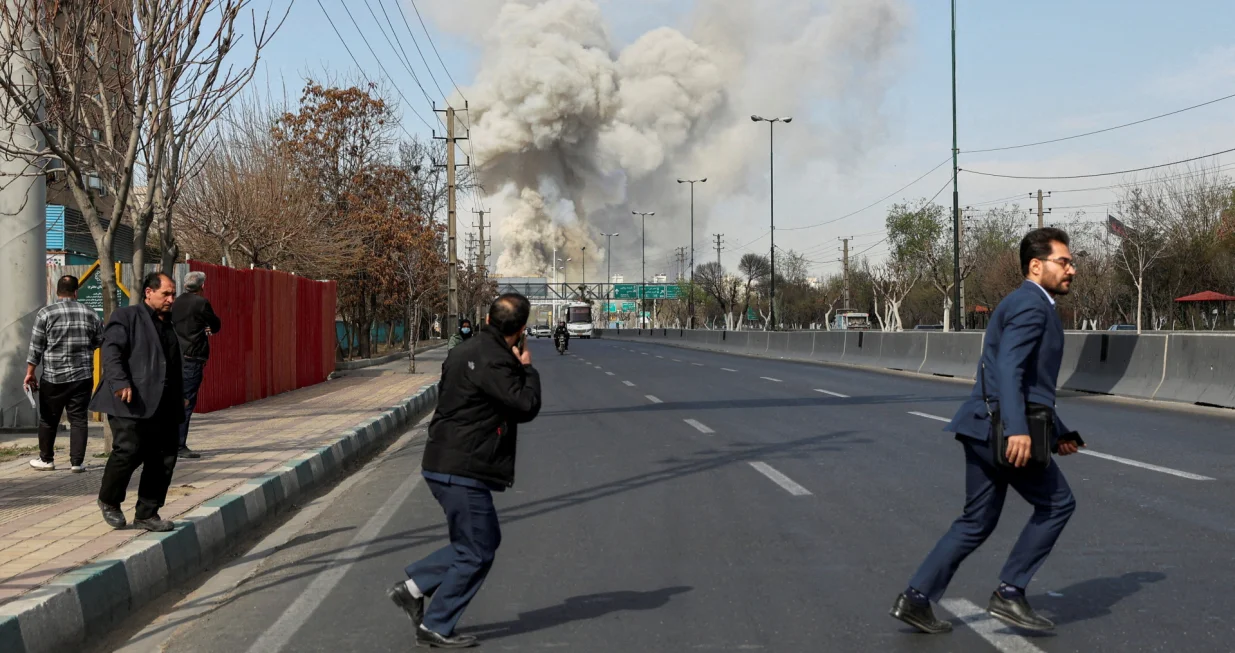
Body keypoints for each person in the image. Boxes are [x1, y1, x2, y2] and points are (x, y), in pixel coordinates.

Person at [890, 227, 1083, 634]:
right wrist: (1016, 430)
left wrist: (1058, 434)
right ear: (1036, 266)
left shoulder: (1022, 301)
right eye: (1064, 262)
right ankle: (1010, 592)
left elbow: (1027, 384)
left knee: (976, 521)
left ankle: (916, 598)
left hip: (980, 426)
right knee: (1057, 504)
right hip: (1002, 430)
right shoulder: (1033, 305)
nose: (1072, 269)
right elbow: (1009, 370)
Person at [388, 293, 541, 649]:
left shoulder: (462, 350)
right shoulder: (497, 362)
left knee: (480, 541)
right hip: (463, 468)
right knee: (477, 550)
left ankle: (413, 588)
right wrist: (527, 369)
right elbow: (525, 405)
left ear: (487, 320)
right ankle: (435, 624)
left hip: (441, 460)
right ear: (521, 329)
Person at [91, 272, 185, 532]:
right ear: (149, 292)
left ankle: (147, 513)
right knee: (128, 451)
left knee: (163, 459)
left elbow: (172, 362)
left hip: (165, 403)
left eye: (173, 294)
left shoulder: (170, 323)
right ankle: (109, 500)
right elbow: (111, 351)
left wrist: (182, 394)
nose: (171, 299)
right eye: (166, 294)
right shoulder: (127, 317)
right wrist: (120, 382)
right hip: (130, 400)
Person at [23, 275, 104, 472]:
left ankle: (46, 459)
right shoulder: (90, 313)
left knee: (49, 419)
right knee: (79, 419)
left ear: (57, 291)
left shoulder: (46, 313)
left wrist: (30, 373)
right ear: (76, 292)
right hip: (82, 376)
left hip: (53, 376)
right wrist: (85, 350)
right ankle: (77, 463)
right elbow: (100, 340)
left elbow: (36, 347)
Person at [171, 271, 221, 459]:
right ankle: (179, 445)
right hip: (192, 357)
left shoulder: (175, 302)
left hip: (175, 356)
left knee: (174, 398)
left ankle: (169, 443)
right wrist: (208, 328)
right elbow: (215, 324)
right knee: (186, 401)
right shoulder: (201, 303)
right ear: (202, 286)